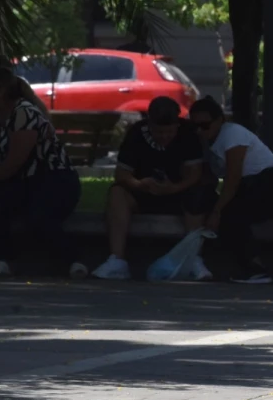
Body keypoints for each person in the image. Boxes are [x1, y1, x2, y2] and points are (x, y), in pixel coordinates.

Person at [0, 66, 85, 278]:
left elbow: (13, 162)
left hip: (54, 179)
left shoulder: (23, 112)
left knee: (39, 216)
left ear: (0, 92)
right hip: (23, 182)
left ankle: (73, 259)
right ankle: (4, 259)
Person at [92, 96, 215, 281]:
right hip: (144, 192)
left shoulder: (188, 134)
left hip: (180, 193)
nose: (164, 137)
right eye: (158, 132)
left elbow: (195, 174)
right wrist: (140, 184)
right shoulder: (137, 133)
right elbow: (122, 174)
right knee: (117, 192)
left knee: (198, 194)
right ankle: (117, 260)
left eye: (169, 132)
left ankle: (193, 258)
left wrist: (174, 188)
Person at [190, 96, 273, 284]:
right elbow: (211, 177)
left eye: (205, 125)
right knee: (226, 210)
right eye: (195, 126)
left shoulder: (232, 134)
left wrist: (217, 210)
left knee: (230, 213)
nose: (199, 131)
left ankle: (255, 267)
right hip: (251, 187)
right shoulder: (207, 142)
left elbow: (233, 177)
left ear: (220, 120)